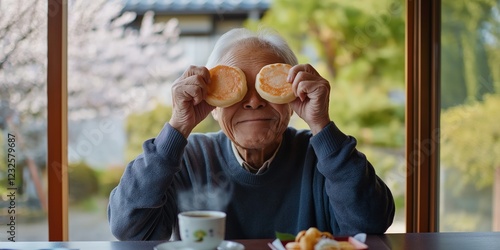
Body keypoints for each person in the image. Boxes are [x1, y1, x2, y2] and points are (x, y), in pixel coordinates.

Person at [107, 27, 395, 241]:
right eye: (237, 88)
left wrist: (321, 124)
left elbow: (370, 224)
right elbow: (129, 229)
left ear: (291, 99)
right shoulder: (188, 158)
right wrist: (177, 127)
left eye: (268, 86)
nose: (254, 100)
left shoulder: (322, 158)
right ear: (214, 104)